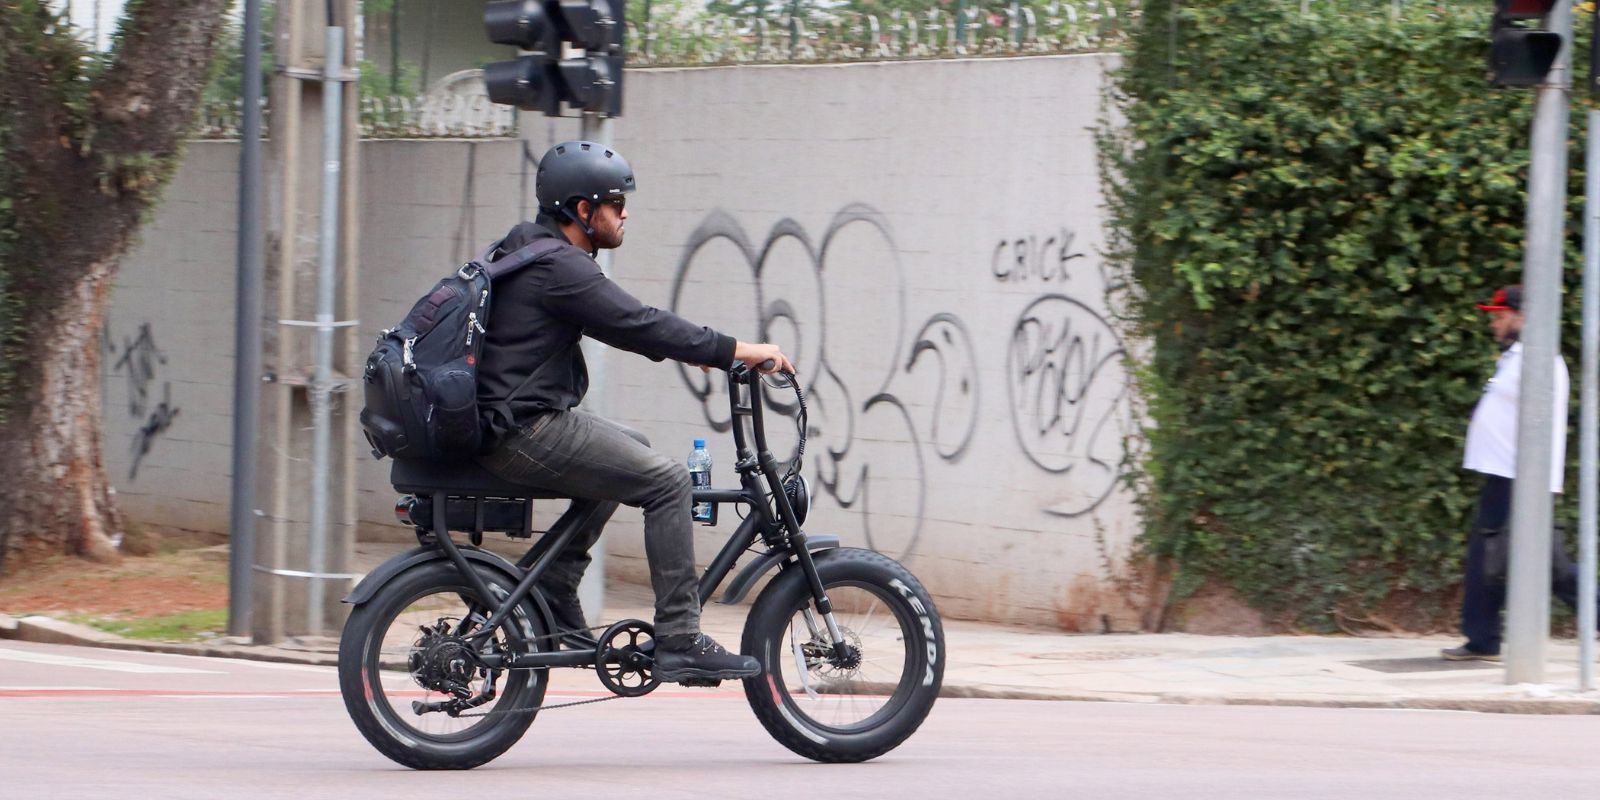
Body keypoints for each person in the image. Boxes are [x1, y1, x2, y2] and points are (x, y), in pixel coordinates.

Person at [473, 141, 794, 682]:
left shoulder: (525, 251)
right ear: (583, 210)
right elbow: (638, 321)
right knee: (668, 481)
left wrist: (696, 350)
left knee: (632, 449)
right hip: (521, 430)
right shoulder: (559, 267)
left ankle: (554, 581)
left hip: (506, 422)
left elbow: (627, 326)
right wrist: (738, 350)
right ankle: (680, 638)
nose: (626, 215)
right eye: (616, 204)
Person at [1445, 284, 1591, 661]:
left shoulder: (1538, 361)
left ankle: (1483, 640)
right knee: (1495, 558)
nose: (1493, 322)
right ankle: (1482, 639)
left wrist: (1539, 479)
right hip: (1507, 475)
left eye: (1500, 315)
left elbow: (1544, 423)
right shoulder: (1518, 357)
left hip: (1521, 479)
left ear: (1522, 316)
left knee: (1540, 566)